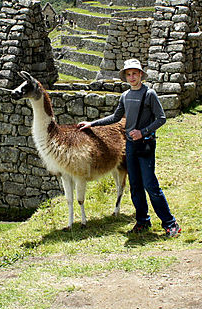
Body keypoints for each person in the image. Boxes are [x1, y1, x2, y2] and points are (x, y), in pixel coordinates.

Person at [77, 59, 181, 237]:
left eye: (135, 73)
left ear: (141, 74)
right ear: (125, 76)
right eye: (129, 74)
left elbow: (161, 118)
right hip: (130, 146)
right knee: (135, 186)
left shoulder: (150, 94)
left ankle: (170, 223)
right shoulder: (125, 96)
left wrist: (143, 131)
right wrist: (92, 124)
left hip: (146, 144)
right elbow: (115, 117)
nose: (132, 77)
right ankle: (142, 221)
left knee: (150, 185)